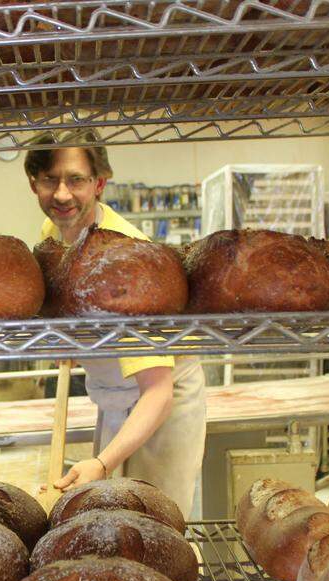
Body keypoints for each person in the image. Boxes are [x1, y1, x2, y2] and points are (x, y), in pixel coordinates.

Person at [25, 133, 207, 519]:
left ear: (99, 184)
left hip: (161, 407)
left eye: (75, 180)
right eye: (49, 180)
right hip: (117, 396)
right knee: (112, 522)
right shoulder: (54, 237)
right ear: (33, 184)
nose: (61, 195)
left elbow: (158, 393)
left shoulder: (127, 263)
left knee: (157, 526)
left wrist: (102, 463)